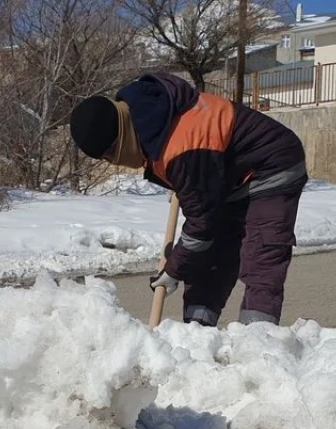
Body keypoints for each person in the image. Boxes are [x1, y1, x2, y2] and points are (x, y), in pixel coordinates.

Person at [69, 72, 307, 327]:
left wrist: (173, 270)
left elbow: (201, 226)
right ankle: (196, 335)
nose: (115, 161)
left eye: (111, 154)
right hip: (228, 176)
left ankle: (258, 342)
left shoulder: (181, 147)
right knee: (208, 259)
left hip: (272, 165)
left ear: (121, 137)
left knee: (261, 255)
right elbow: (203, 207)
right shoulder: (150, 122)